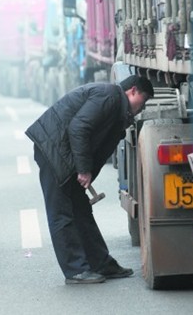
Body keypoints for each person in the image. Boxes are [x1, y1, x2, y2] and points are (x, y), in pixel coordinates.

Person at [25, 75, 154, 284]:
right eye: (144, 99)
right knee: (61, 213)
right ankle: (76, 271)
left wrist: (84, 171)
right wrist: (84, 170)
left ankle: (101, 264)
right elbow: (79, 128)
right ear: (133, 91)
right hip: (53, 152)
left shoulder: (116, 106)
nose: (143, 107)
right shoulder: (109, 96)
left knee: (81, 210)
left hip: (65, 155)